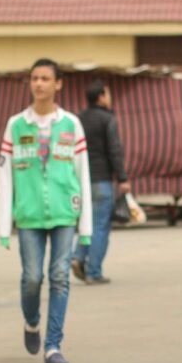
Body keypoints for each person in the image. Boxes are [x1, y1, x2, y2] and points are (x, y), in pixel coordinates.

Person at [0, 58, 92, 363]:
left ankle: (53, 346)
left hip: (65, 212)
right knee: (32, 278)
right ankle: (32, 320)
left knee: (60, 277)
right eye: (34, 78)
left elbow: (83, 174)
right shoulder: (16, 125)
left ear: (58, 84)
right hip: (29, 215)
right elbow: (5, 176)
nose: (39, 84)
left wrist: (86, 224)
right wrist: (2, 224)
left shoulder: (71, 125)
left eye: (45, 78)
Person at [71, 80, 130, 285]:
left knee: (86, 223)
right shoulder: (108, 119)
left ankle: (78, 257)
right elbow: (115, 150)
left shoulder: (77, 119)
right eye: (108, 94)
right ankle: (93, 272)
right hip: (101, 180)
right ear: (101, 97)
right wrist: (122, 178)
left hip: (80, 180)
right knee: (100, 226)